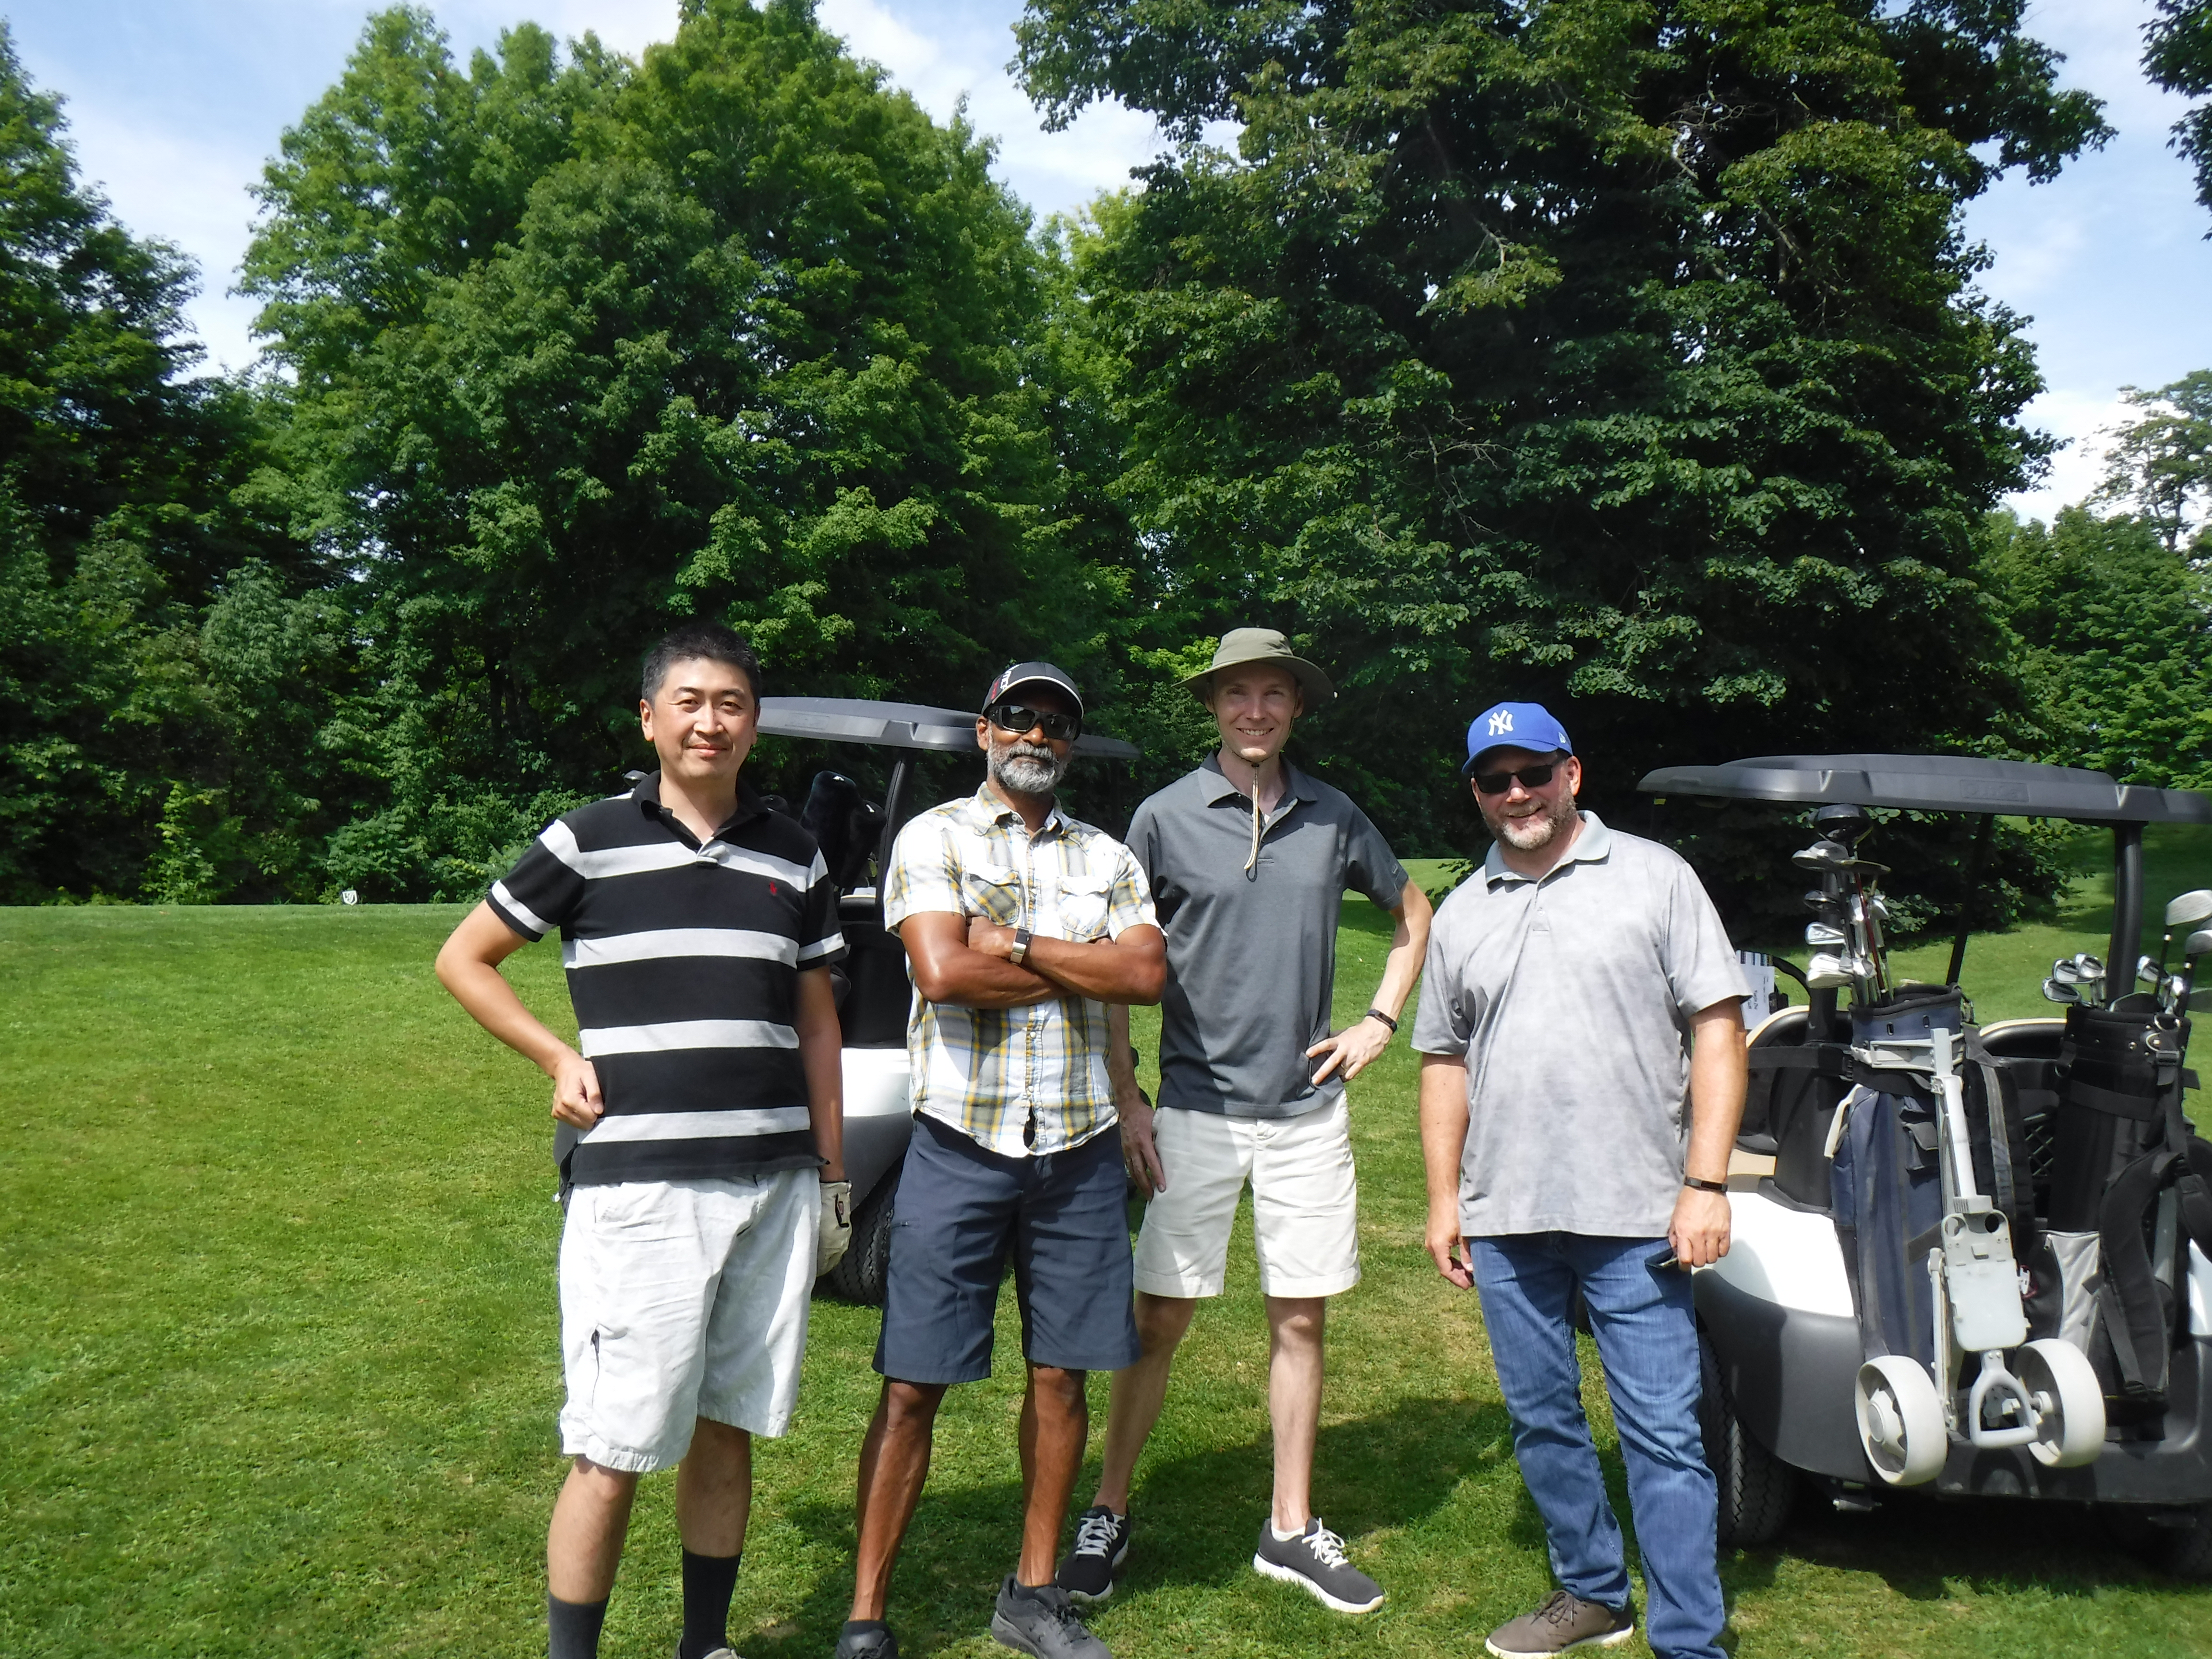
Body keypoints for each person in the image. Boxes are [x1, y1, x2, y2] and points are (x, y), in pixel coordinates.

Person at [434, 623, 851, 1659]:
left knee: (728, 1423)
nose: (713, 720)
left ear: (754, 722)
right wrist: (554, 1059)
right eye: (692, 701)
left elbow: (818, 1024)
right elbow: (466, 958)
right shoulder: (587, 838)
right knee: (614, 1442)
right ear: (651, 716)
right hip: (639, 1191)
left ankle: (703, 1643)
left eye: (734, 704)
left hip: (772, 1181)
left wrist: (833, 1171)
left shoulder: (794, 850)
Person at [1054, 627, 1431, 1615]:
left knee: (1299, 1318)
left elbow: (1413, 908)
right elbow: (1109, 965)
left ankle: (1289, 1526)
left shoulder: (1334, 815)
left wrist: (1380, 1019)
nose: (1255, 710)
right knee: (1159, 1320)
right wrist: (1128, 1095)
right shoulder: (1164, 819)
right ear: (1214, 707)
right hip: (1193, 1110)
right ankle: (1108, 1507)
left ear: (1295, 707)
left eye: (1273, 694)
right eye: (1237, 695)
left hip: (1308, 1112)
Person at [840, 663, 1167, 1659]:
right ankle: (865, 1614)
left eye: (1057, 723)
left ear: (1070, 743)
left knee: (1062, 1380)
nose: (1038, 734)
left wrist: (1014, 945)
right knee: (910, 1384)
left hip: (1076, 1153)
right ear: (986, 731)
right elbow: (940, 972)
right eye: (1019, 717)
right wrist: (1075, 965)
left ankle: (1033, 1597)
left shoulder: (1107, 856)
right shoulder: (932, 835)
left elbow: (1146, 972)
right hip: (961, 1144)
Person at [1411, 701, 1749, 1659]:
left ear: (1572, 774)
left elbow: (1718, 1030)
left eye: (1533, 773)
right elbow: (1443, 1064)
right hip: (1507, 1213)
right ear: (1476, 792)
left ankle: (1689, 1638)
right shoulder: (1464, 911)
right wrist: (1445, 1200)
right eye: (1495, 779)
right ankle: (1593, 1592)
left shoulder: (1655, 877)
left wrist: (1707, 1183)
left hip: (1638, 1210)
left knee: (1664, 1437)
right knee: (1544, 1422)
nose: (1516, 793)